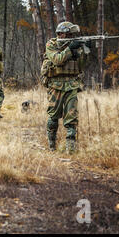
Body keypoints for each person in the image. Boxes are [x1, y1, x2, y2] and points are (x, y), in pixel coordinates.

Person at [43, 22, 91, 153]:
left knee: (72, 118)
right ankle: (52, 147)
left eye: (72, 34)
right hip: (56, 85)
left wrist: (85, 52)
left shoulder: (74, 46)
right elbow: (57, 60)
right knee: (53, 117)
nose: (71, 36)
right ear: (61, 33)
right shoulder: (51, 44)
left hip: (72, 85)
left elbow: (80, 67)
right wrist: (70, 49)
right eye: (69, 34)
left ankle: (71, 150)